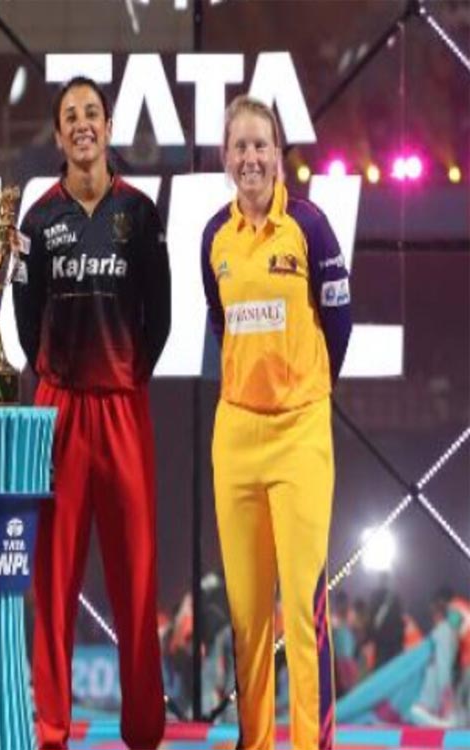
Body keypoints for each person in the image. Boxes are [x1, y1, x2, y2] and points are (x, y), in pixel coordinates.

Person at [13, 75, 171, 750]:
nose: (82, 124)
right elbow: (25, 322)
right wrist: (60, 378)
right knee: (53, 580)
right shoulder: (37, 220)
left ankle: (144, 731)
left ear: (107, 127)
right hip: (60, 411)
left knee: (136, 575)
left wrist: (126, 373)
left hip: (123, 408)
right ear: (58, 135)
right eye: (70, 116)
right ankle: (52, 729)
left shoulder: (139, 212)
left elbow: (160, 317)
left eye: (92, 113)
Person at [201, 94, 352, 749]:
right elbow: (221, 323)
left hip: (300, 436)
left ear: (279, 154)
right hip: (236, 436)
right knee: (245, 613)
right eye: (240, 146)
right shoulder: (214, 237)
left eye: (261, 144)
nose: (251, 157)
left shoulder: (310, 227)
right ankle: (255, 741)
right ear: (226, 157)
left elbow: (338, 322)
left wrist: (305, 387)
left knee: (302, 604)